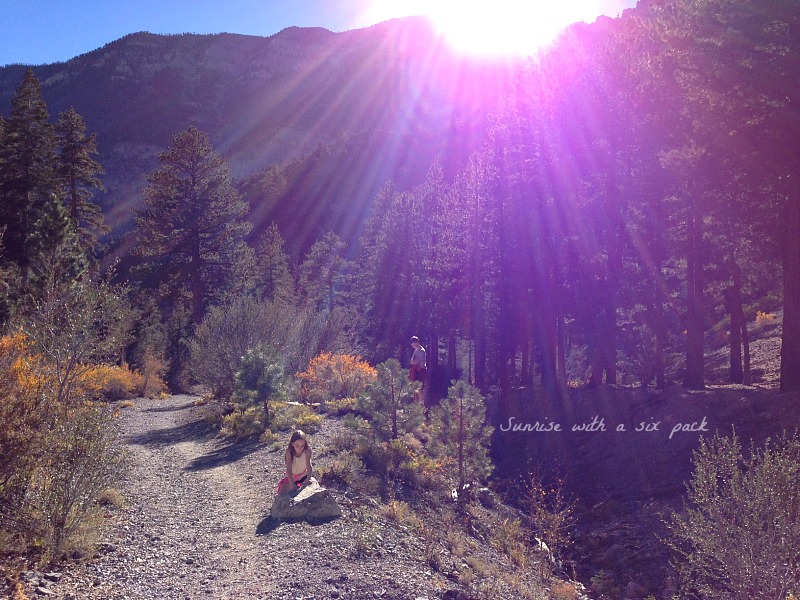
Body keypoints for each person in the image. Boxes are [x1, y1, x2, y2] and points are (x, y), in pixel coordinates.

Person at [277, 430, 313, 495]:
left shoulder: (307, 451)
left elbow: (309, 465)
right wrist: (292, 484)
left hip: (303, 475)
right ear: (292, 444)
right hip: (292, 477)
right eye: (297, 445)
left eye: (302, 445)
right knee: (282, 493)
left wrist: (308, 478)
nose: (300, 448)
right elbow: (289, 469)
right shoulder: (289, 452)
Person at [409, 335, 427, 404]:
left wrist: (413, 361)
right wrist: (412, 361)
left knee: (419, 387)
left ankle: (421, 404)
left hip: (421, 370)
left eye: (412, 344)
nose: (412, 346)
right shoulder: (416, 350)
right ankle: (416, 403)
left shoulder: (421, 351)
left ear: (416, 342)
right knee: (415, 387)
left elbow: (415, 361)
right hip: (416, 370)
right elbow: (411, 361)